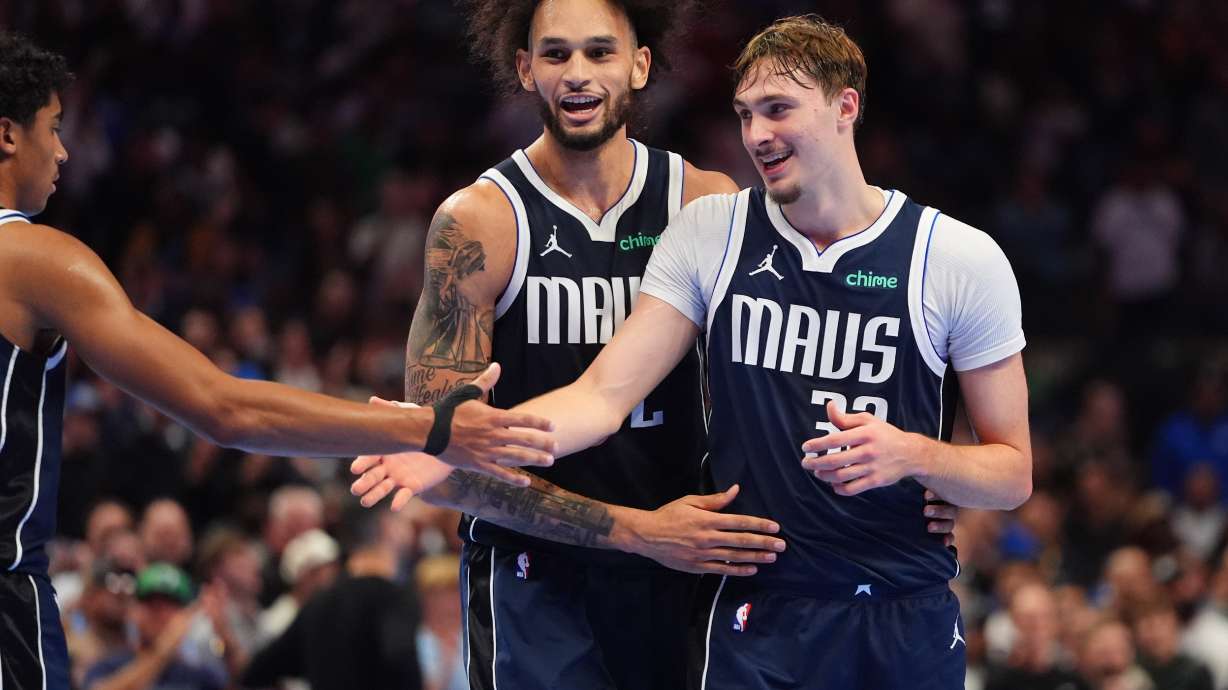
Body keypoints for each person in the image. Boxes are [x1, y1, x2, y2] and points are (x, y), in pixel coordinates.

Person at [354, 13, 1025, 690]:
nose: (757, 134)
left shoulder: (951, 257)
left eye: (778, 109)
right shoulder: (702, 229)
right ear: (526, 68)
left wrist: (922, 459)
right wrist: (441, 438)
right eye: (745, 114)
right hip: (658, 587)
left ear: (845, 106)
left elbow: (1010, 471)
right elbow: (600, 397)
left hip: (781, 581)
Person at [0, 31, 554, 690]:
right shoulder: (32, 259)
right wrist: (429, 427)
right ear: (7, 135)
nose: (63, 150)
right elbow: (225, 408)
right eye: (53, 127)